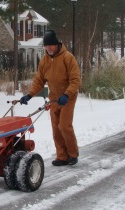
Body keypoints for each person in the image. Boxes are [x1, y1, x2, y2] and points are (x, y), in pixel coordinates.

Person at [19, 30, 81, 166]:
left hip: (67, 97)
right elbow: (39, 81)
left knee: (64, 126)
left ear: (56, 44)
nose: (48, 48)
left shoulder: (68, 57)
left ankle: (72, 154)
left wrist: (67, 94)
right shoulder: (45, 60)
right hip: (54, 99)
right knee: (56, 128)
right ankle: (62, 156)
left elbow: (76, 80)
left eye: (50, 46)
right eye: (46, 46)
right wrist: (29, 95)